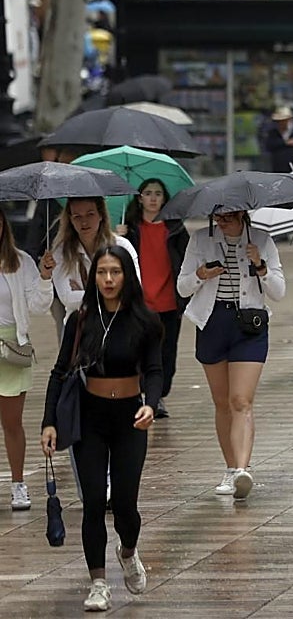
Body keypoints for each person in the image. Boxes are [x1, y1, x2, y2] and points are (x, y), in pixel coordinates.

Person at [41, 246, 161, 612]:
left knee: (125, 504)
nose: (108, 280)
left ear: (127, 276)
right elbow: (59, 371)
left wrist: (150, 404)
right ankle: (98, 583)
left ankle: (128, 551)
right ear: (94, 277)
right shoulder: (80, 320)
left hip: (129, 418)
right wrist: (48, 421)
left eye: (115, 272)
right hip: (90, 418)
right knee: (94, 501)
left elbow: (155, 370)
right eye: (102, 273)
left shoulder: (146, 320)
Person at [177, 210, 285, 499]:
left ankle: (241, 470)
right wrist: (201, 274)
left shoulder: (261, 240)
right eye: (217, 217)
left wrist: (260, 265)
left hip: (249, 325)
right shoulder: (201, 240)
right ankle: (229, 467)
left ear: (243, 217)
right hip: (212, 323)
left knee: (241, 400)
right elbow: (182, 285)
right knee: (222, 402)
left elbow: (279, 290)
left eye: (228, 218)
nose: (221, 223)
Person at [120, 180, 190, 420]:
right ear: (139, 198)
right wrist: (119, 238)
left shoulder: (176, 228)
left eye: (158, 194)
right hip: (139, 303)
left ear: (164, 198)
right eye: (147, 193)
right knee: (140, 353)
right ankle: (148, 397)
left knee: (167, 353)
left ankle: (159, 394)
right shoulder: (128, 229)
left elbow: (187, 260)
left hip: (170, 302)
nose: (152, 198)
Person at [0, 207, 54, 512]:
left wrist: (45, 276)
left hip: (12, 346)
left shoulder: (19, 261)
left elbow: (37, 305)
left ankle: (18, 485)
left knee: (11, 423)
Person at [52, 198, 141, 316]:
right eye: (77, 216)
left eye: (90, 214)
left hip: (118, 322)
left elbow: (135, 290)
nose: (84, 222)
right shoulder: (61, 252)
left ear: (101, 215)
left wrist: (84, 293)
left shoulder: (122, 245)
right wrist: (112, 292)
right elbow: (67, 298)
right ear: (70, 220)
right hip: (79, 326)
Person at [263, 106, 293, 172]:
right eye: (278, 121)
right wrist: (284, 143)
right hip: (279, 169)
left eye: (283, 121)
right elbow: (268, 146)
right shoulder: (273, 133)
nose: (280, 123)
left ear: (289, 120)